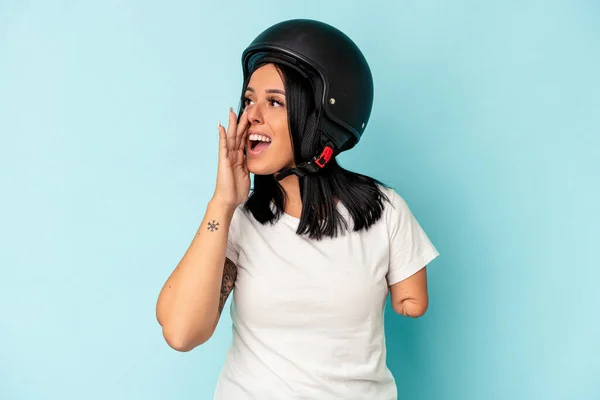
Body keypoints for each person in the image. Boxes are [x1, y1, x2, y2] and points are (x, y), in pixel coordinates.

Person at [156, 19, 439, 400]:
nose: (251, 115)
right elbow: (181, 331)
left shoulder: (383, 210)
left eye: (274, 102)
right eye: (249, 99)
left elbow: (412, 300)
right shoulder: (240, 222)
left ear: (320, 121)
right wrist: (221, 204)